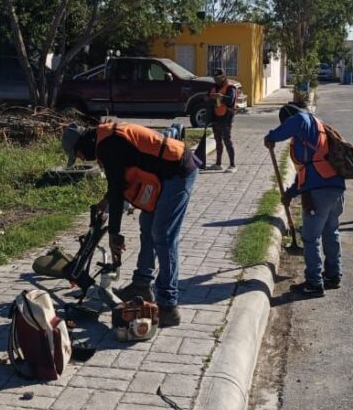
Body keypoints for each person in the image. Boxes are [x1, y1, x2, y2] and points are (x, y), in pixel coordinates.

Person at [62, 120, 200, 327]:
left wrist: (114, 235)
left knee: (163, 235)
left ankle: (168, 305)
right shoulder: (105, 140)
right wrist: (106, 200)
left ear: (82, 143)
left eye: (78, 154)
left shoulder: (107, 145)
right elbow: (117, 181)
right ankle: (141, 285)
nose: (82, 159)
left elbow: (118, 192)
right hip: (163, 174)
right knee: (147, 226)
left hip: (178, 171)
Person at [264, 102, 346, 298]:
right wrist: (290, 194)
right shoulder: (318, 130)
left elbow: (295, 122)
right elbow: (306, 171)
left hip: (319, 191)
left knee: (310, 237)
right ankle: (333, 275)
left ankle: (314, 283)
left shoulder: (303, 120)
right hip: (336, 188)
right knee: (331, 232)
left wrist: (271, 137)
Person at [207, 69, 238, 172]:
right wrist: (209, 98)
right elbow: (208, 98)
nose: (216, 80)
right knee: (218, 141)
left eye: (218, 78)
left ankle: (232, 165)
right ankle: (218, 164)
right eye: (214, 78)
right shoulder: (214, 87)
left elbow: (231, 100)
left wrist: (221, 97)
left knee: (227, 140)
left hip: (226, 117)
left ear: (224, 77)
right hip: (215, 117)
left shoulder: (230, 87)